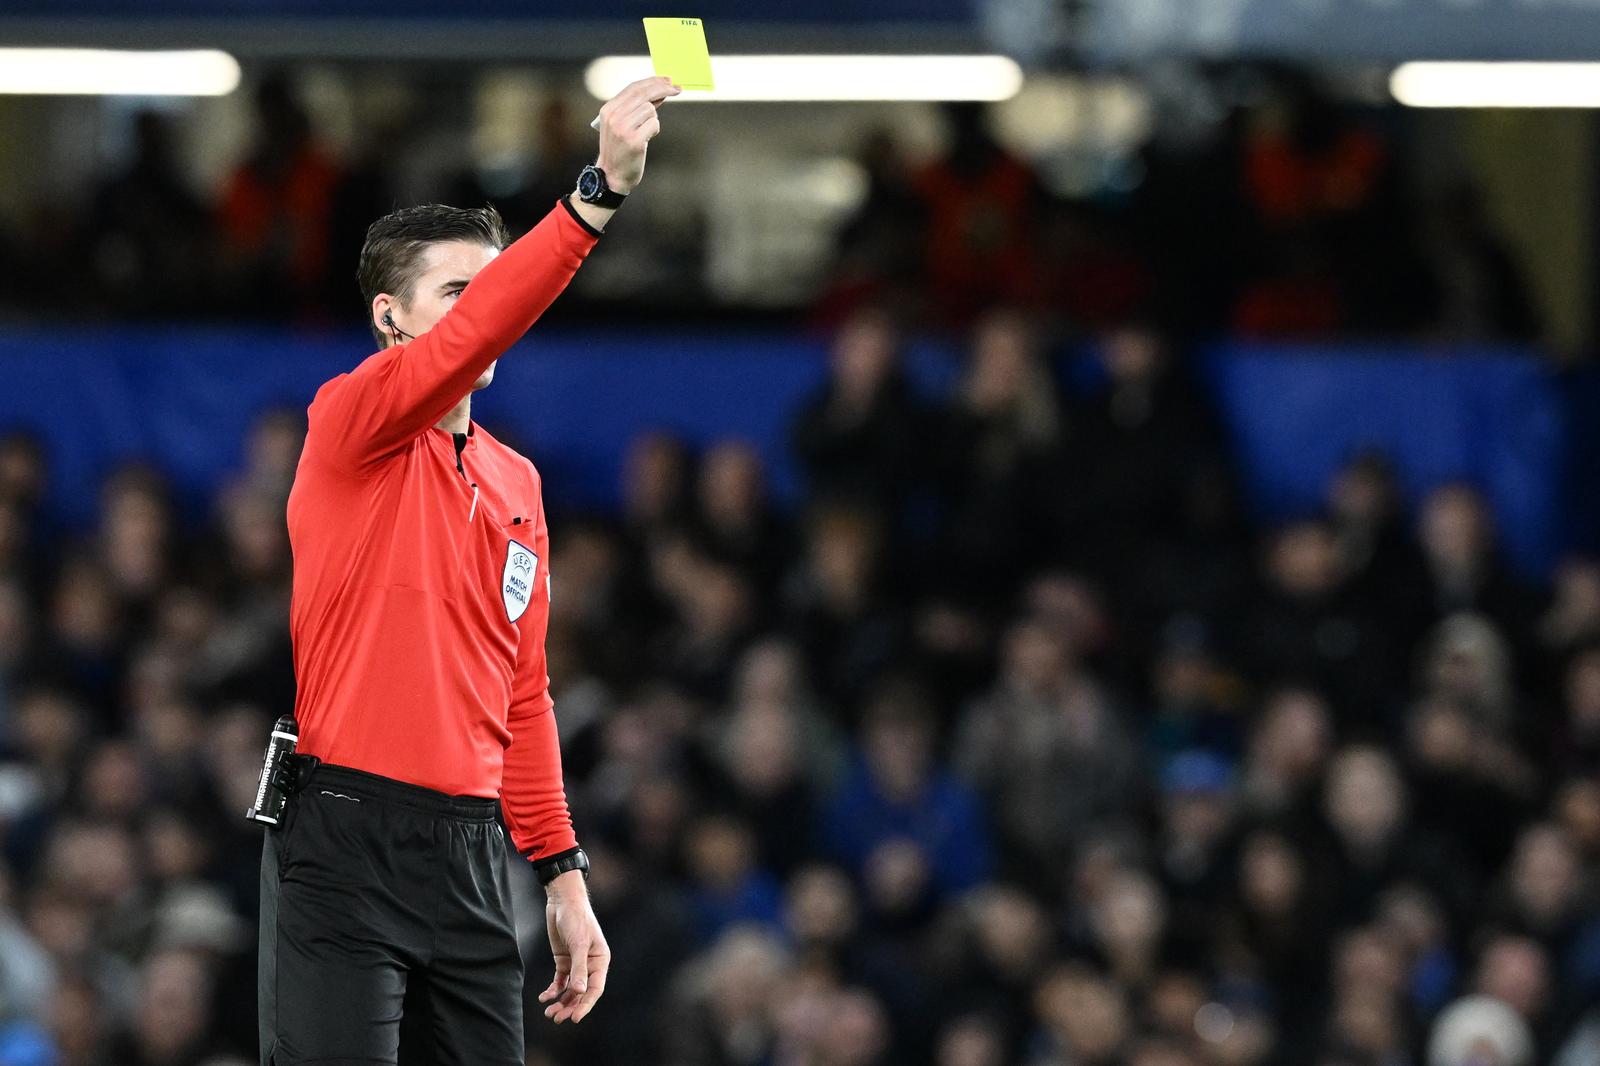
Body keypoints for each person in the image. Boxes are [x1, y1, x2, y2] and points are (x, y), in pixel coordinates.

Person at [257, 75, 681, 1066]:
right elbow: (484, 331)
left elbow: (521, 694)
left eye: (495, 287)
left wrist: (564, 879)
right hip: (344, 844)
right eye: (458, 293)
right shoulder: (348, 425)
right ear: (391, 319)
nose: (485, 313)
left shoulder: (515, 481)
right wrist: (595, 195)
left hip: (472, 857)